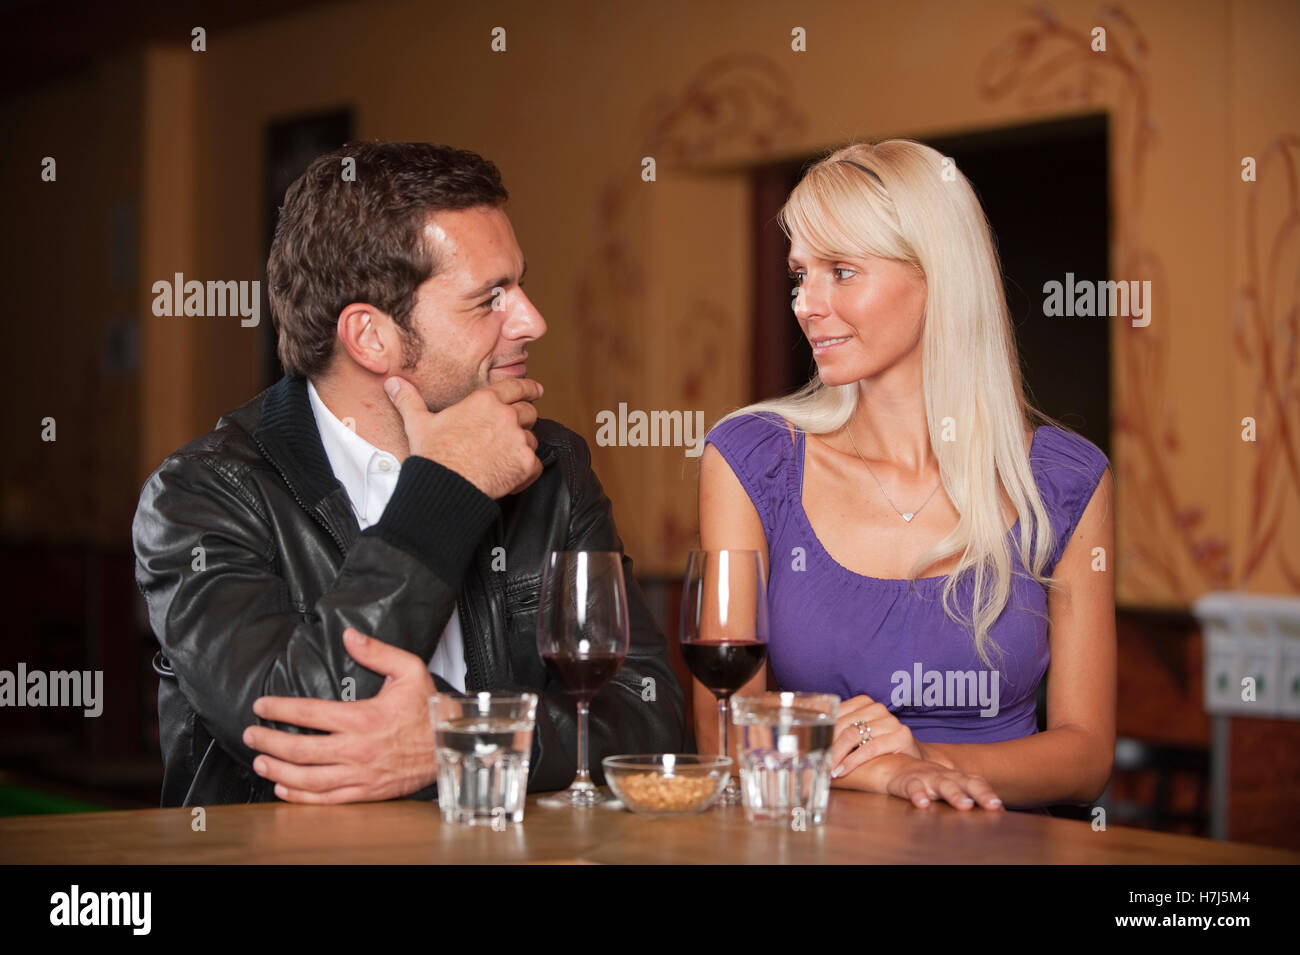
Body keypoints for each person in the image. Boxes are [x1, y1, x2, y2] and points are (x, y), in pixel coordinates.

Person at [133, 141, 685, 807]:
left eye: (520, 284)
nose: (532, 319)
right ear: (370, 337)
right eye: (491, 298)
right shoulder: (203, 495)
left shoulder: (553, 465)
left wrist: (455, 740)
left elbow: (651, 716)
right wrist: (444, 487)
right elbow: (295, 722)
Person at [699, 140, 1115, 813]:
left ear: (939, 275)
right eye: (800, 274)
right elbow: (724, 732)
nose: (807, 302)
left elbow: (1086, 757)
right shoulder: (752, 458)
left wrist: (922, 758)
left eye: (840, 270)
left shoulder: (1066, 479)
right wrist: (884, 773)